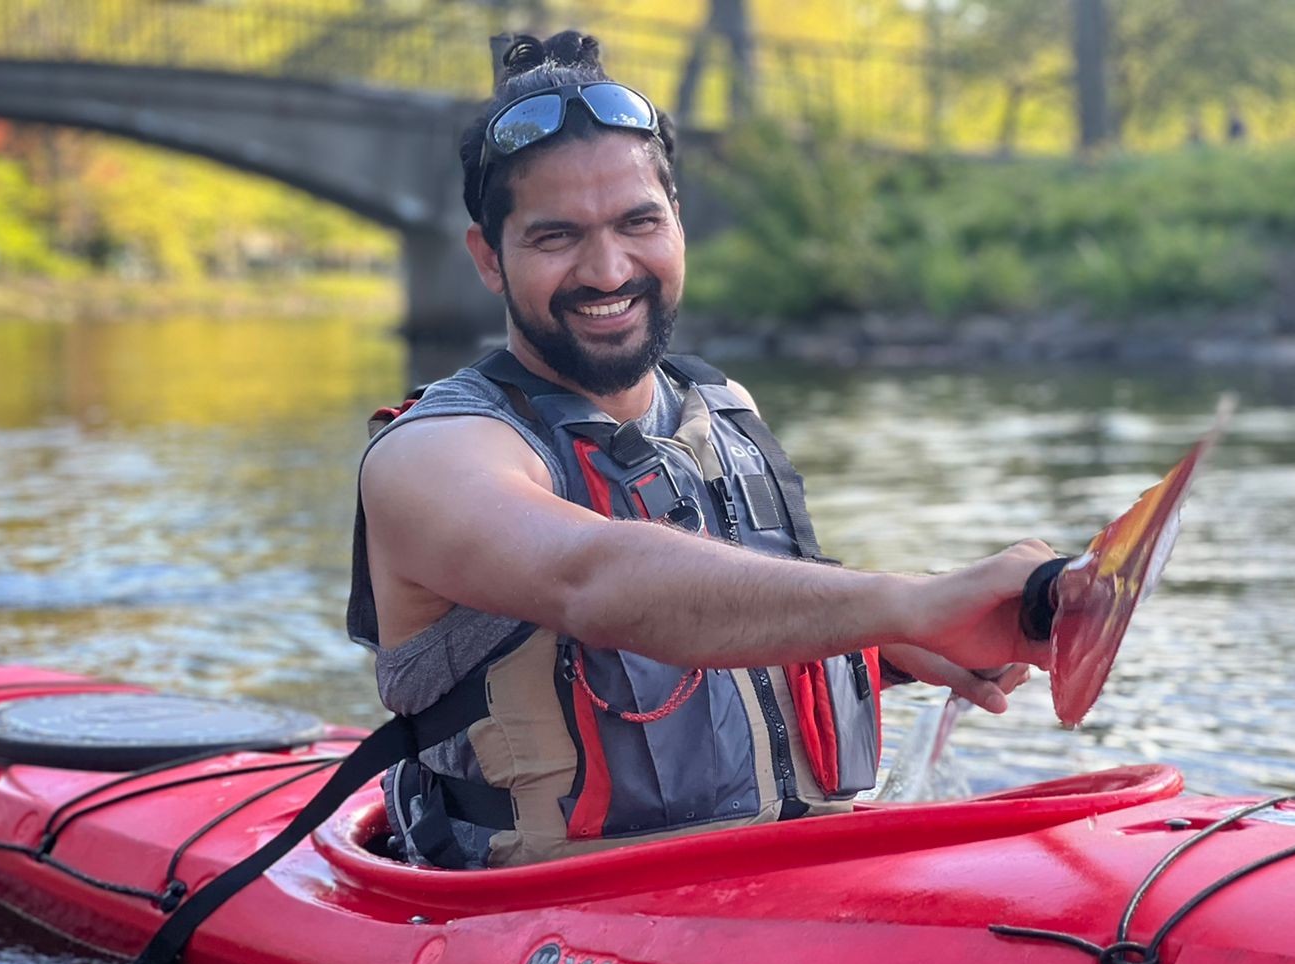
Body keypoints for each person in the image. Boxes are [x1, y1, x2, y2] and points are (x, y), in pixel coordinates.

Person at [347, 31, 1057, 870]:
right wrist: (909, 600)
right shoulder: (429, 457)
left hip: (794, 878)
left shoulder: (722, 409)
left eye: (638, 222)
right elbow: (596, 578)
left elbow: (741, 613)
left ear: (678, 224)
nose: (608, 269)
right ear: (488, 260)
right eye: (555, 237)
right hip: (549, 920)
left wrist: (900, 645)